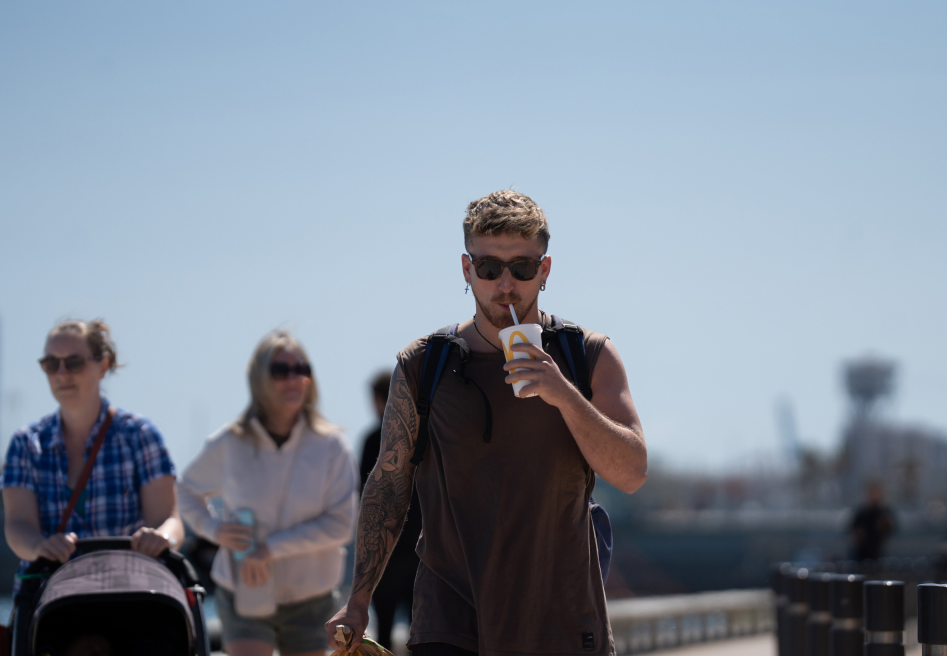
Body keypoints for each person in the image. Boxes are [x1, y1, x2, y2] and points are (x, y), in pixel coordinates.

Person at [328, 190, 648, 656]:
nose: (505, 285)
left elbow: (632, 471)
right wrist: (357, 601)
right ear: (466, 270)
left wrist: (562, 394)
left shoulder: (588, 355)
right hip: (450, 617)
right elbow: (389, 484)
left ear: (544, 270)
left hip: (561, 617)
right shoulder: (424, 364)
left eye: (521, 268)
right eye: (488, 268)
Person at [179, 330, 357, 656]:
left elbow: (341, 526)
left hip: (312, 598)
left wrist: (268, 549)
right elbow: (186, 490)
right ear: (259, 379)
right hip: (242, 594)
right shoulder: (230, 443)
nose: (294, 378)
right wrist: (214, 530)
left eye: (301, 369)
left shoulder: (333, 447)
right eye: (281, 370)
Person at [0, 319, 184, 585]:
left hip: (130, 595)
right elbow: (18, 525)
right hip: (50, 598)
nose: (62, 373)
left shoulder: (140, 435)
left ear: (103, 365)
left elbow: (169, 519)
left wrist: (163, 538)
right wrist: (40, 547)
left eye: (74, 362)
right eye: (51, 364)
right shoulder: (26, 444)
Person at [359, 370, 421, 650]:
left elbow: (366, 495)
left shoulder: (374, 439)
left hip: (387, 549)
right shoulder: (421, 434)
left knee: (387, 630)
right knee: (417, 628)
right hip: (418, 546)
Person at [848, 481, 896, 562]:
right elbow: (853, 532)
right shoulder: (861, 513)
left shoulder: (884, 513)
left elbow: (891, 529)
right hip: (861, 554)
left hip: (880, 553)